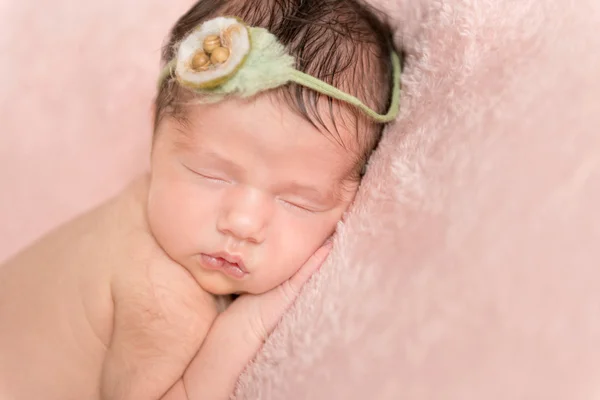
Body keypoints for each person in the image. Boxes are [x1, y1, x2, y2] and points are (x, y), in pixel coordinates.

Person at [0, 0, 400, 398]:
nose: (242, 222)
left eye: (298, 201)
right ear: (155, 133)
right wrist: (248, 327)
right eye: (212, 175)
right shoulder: (165, 303)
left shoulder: (143, 208)